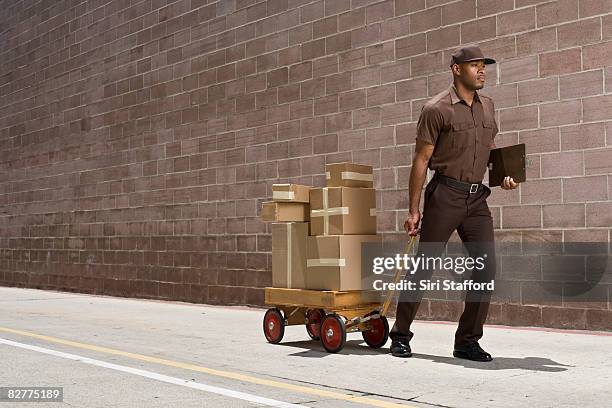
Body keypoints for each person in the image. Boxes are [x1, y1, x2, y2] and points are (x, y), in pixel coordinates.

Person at [389, 45, 519, 362]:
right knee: (424, 267)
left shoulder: (487, 106)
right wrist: (414, 209)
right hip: (445, 194)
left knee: (485, 269)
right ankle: (400, 335)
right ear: (456, 69)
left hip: (477, 199)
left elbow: (489, 146)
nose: (482, 70)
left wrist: (503, 174)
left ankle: (467, 341)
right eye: (474, 65)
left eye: (484, 65)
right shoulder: (436, 109)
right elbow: (420, 160)